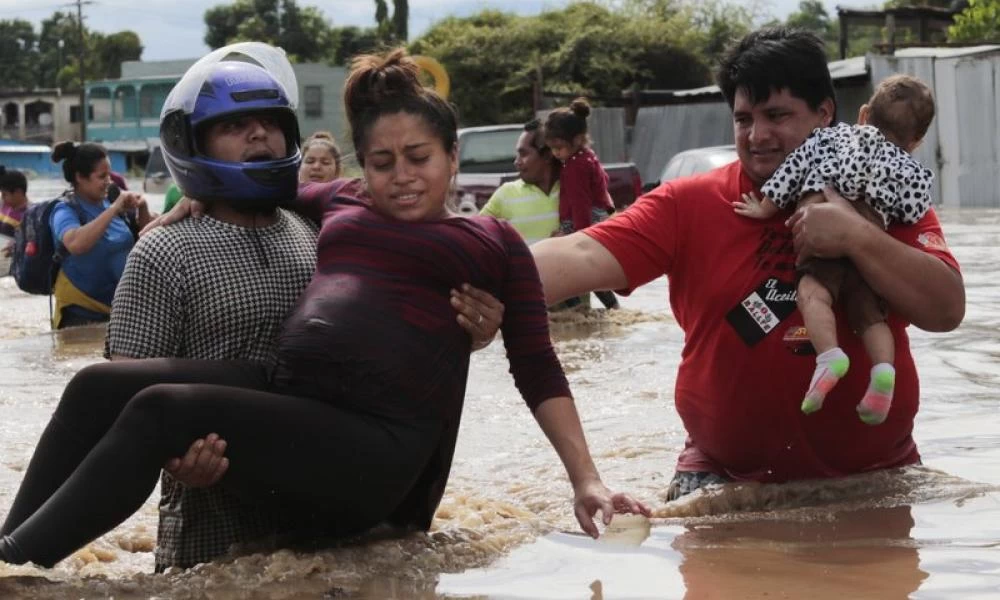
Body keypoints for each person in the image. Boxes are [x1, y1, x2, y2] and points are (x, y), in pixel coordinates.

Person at [0, 47, 647, 569]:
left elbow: (537, 366)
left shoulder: (491, 242)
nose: (403, 176)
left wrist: (586, 480)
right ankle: (9, 549)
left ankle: (20, 565)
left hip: (375, 439)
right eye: (382, 161)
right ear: (361, 168)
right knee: (96, 383)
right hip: (293, 394)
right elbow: (251, 178)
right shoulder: (339, 204)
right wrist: (187, 198)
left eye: (420, 158)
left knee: (159, 408)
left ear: (454, 158)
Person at [108, 42, 503, 571]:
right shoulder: (162, 251)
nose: (258, 135)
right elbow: (125, 397)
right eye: (235, 125)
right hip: (213, 527)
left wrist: (474, 327)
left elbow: (396, 345)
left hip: (333, 520)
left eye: (270, 123)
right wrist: (176, 460)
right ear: (192, 144)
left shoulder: (322, 233)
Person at [530, 27, 964, 501]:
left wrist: (857, 237)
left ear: (825, 113)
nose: (757, 136)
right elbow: (583, 253)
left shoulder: (883, 197)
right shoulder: (689, 202)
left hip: (879, 476)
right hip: (721, 482)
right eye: (743, 119)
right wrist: (483, 273)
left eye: (776, 116)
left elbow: (946, 310)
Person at [733, 74, 936, 425]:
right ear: (916, 140)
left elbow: (792, 170)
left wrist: (765, 208)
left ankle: (829, 356)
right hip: (869, 251)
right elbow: (914, 211)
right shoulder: (914, 171)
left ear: (863, 114)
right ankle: (884, 372)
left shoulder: (831, 137)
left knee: (812, 294)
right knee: (871, 317)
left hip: (822, 234)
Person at [48, 142, 153, 329]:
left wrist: (142, 207)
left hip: (120, 311)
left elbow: (148, 241)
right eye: (102, 176)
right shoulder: (64, 210)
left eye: (110, 175)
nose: (109, 182)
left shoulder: (112, 203)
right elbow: (76, 244)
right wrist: (114, 209)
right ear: (80, 177)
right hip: (80, 313)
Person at [544, 98, 619, 310]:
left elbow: (580, 203)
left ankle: (577, 311)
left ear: (577, 140)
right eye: (552, 148)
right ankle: (613, 308)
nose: (555, 154)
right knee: (590, 275)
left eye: (559, 148)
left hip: (581, 223)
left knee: (560, 271)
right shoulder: (588, 157)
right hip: (595, 219)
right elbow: (603, 181)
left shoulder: (575, 167)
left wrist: (577, 236)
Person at [479, 119, 560, 246]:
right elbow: (476, 235)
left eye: (523, 154)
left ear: (547, 155)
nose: (517, 162)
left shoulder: (574, 188)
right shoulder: (506, 193)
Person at [0, 166, 29, 258]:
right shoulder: (4, 206)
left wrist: (17, 246)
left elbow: (32, 244)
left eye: (5, 194)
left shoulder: (29, 215)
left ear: (18, 192)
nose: (2, 198)